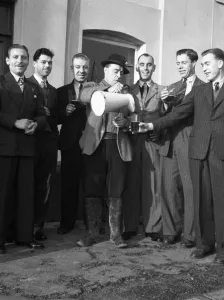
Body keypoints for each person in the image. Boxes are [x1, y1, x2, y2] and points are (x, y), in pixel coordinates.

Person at [139, 48, 224, 264]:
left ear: (220, 63)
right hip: (198, 153)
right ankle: (204, 244)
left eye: (207, 63)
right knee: (202, 201)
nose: (204, 68)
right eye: (202, 65)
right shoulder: (199, 92)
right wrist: (153, 124)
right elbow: (178, 113)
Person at [0, 44, 46, 255]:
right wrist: (14, 122)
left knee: (25, 195)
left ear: (28, 61)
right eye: (16, 57)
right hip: (5, 147)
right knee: (2, 196)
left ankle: (24, 237)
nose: (20, 61)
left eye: (24, 57)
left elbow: (42, 114)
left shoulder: (33, 87)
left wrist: (36, 124)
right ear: (8, 61)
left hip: (27, 148)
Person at [77, 54, 133, 248]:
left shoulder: (126, 92)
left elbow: (133, 114)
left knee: (116, 189)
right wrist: (108, 89)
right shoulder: (91, 86)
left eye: (121, 72)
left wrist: (125, 123)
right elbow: (84, 97)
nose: (119, 75)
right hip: (96, 146)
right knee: (93, 188)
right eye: (115, 71)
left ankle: (116, 235)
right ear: (106, 71)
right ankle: (92, 234)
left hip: (117, 145)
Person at [159, 49, 204, 247]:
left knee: (190, 188)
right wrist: (165, 103)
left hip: (190, 141)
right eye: (177, 63)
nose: (180, 66)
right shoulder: (172, 87)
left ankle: (190, 234)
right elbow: (164, 114)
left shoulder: (204, 87)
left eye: (184, 62)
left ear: (194, 63)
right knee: (169, 188)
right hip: (170, 141)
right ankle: (171, 230)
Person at [123, 53, 164, 241]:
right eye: (142, 65)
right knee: (131, 183)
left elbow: (166, 117)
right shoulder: (127, 91)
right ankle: (129, 225)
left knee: (152, 184)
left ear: (153, 68)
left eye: (149, 65)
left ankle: (152, 227)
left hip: (152, 143)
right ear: (137, 68)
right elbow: (122, 114)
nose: (145, 68)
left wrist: (159, 131)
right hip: (132, 142)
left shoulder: (162, 91)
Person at [28, 48, 59, 241]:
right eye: (43, 62)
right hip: (29, 143)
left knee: (44, 186)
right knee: (26, 184)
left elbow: (55, 118)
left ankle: (37, 227)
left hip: (49, 145)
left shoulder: (54, 91)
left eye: (49, 63)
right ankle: (22, 226)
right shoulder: (26, 85)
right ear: (35, 63)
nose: (47, 66)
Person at [57, 53, 89, 234]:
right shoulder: (62, 91)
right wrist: (64, 113)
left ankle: (90, 223)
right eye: (78, 67)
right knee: (68, 185)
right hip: (70, 144)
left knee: (90, 184)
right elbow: (54, 117)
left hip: (91, 143)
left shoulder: (95, 90)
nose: (81, 71)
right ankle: (66, 223)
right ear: (72, 69)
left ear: (89, 69)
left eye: (84, 67)